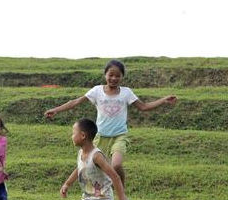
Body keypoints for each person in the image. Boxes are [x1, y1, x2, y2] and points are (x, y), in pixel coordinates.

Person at [44, 59, 177, 185]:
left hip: (119, 136)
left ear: (122, 77)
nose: (114, 78)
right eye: (111, 75)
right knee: (88, 164)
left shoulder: (126, 92)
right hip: (100, 136)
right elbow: (76, 102)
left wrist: (163, 100)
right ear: (105, 75)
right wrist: (56, 110)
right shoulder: (96, 91)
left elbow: (144, 107)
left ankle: (121, 192)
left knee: (116, 165)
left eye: (118, 76)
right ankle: (82, 188)